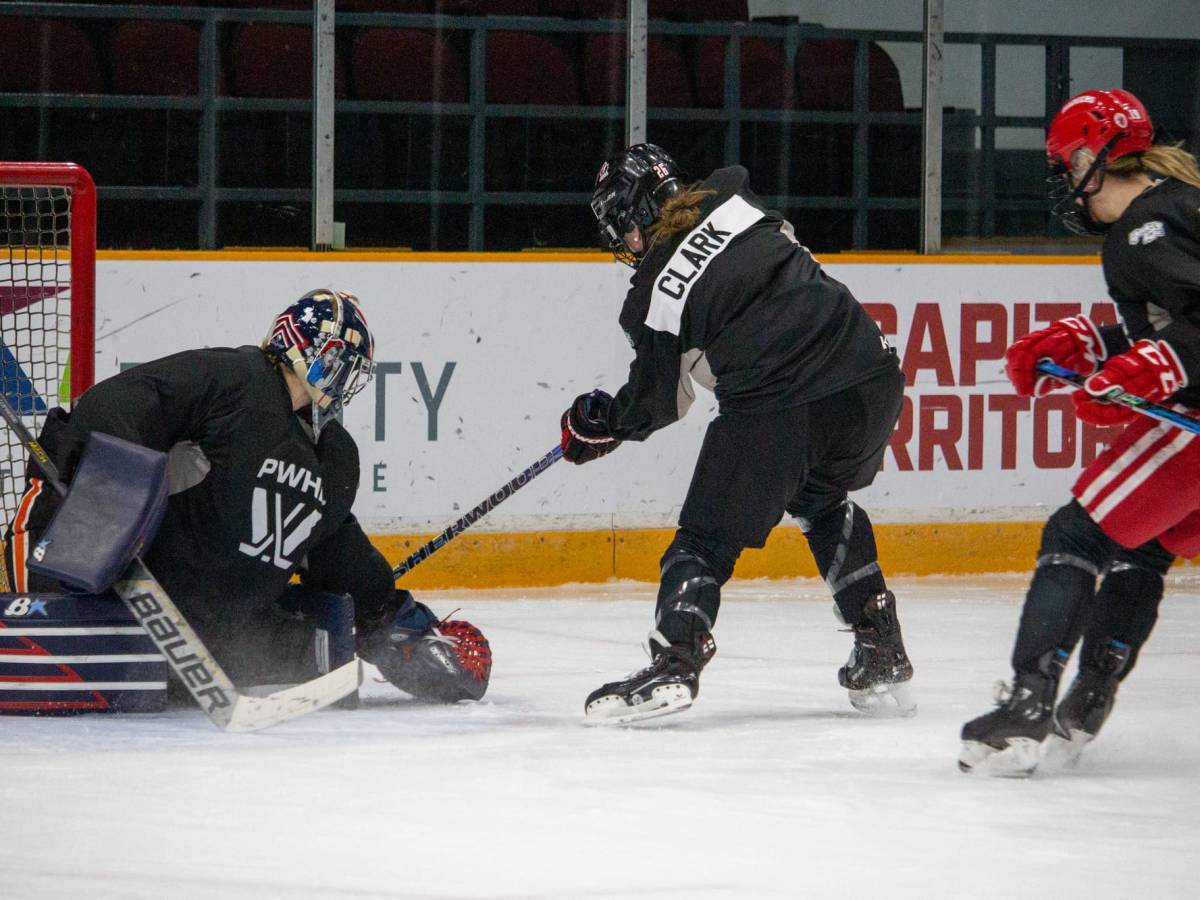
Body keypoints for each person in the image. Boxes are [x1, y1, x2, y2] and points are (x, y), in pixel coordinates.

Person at [562, 143, 914, 724]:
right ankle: (881, 647)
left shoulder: (653, 291)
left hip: (782, 402)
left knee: (702, 542)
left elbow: (656, 404)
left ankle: (676, 657)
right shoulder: (736, 194)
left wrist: (598, 421)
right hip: (872, 379)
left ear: (635, 215)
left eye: (620, 228)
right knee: (820, 499)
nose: (623, 245)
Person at [4, 289, 490, 708]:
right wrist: (113, 503)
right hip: (88, 574)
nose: (346, 382)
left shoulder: (335, 457)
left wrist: (405, 628)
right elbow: (113, 406)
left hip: (203, 635)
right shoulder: (233, 378)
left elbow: (337, 551)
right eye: (343, 363)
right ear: (313, 350)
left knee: (308, 650)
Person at [960, 88, 1200, 776]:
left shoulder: (1142, 232)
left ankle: (1032, 702)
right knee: (1144, 542)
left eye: (1069, 163)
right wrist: (1096, 348)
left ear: (1095, 155)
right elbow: (1172, 322)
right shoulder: (1178, 208)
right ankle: (1088, 698)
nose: (1067, 180)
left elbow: (1187, 336)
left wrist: (1165, 361)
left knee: (1076, 533)